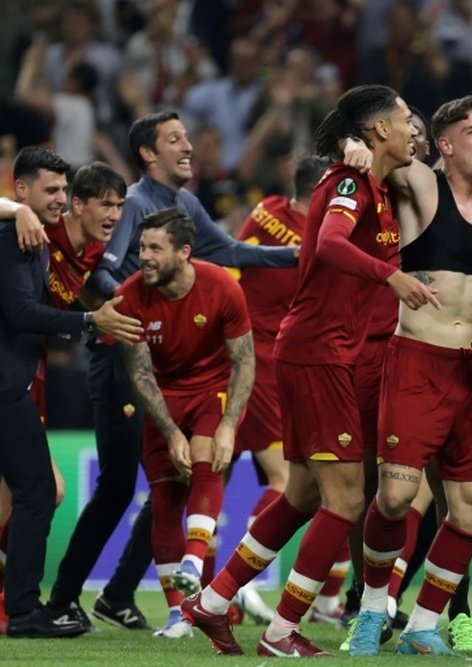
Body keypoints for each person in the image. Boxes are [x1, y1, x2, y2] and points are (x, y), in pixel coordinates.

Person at [183, 84, 432, 658]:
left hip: (322, 352)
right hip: (320, 352)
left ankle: (213, 603)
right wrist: (390, 276)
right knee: (344, 502)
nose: (411, 127)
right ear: (378, 132)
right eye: (403, 118)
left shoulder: (378, 182)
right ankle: (281, 630)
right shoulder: (350, 182)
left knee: (298, 495)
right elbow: (327, 244)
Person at [48, 110, 296, 631]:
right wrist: (144, 306)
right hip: (124, 356)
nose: (188, 146)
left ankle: (125, 596)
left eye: (187, 138)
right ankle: (66, 597)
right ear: (148, 153)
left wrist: (297, 255)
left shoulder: (182, 204)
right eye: (175, 139)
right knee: (124, 485)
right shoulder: (137, 204)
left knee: (168, 482)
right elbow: (103, 268)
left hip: (164, 363)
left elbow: (226, 250)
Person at [348, 94, 472, 657]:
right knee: (395, 498)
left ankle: (423, 625)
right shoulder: (423, 185)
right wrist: (352, 149)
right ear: (445, 145)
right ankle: (371, 611)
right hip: (418, 360)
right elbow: (378, 154)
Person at [0, 151, 141, 639]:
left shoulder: (81, 254)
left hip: (22, 375)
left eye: (121, 206)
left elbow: (83, 295)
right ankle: (20, 608)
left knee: (36, 492)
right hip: (9, 376)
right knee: (40, 491)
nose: (60, 201)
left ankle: (17, 606)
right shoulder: (25, 234)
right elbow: (21, 310)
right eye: (53, 192)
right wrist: (15, 210)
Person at [114, 208, 255, 638]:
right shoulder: (131, 295)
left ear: (184, 252)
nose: (145, 257)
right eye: (142, 248)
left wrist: (230, 423)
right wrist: (170, 431)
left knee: (203, 459)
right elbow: (139, 374)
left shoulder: (221, 287)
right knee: (164, 497)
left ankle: (195, 563)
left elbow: (244, 361)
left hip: (213, 390)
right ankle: (179, 616)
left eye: (156, 248)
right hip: (162, 399)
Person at [224, 155, 332, 626]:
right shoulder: (315, 239)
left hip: (240, 356)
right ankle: (241, 585)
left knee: (215, 478)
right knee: (286, 482)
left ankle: (214, 588)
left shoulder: (266, 207)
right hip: (268, 364)